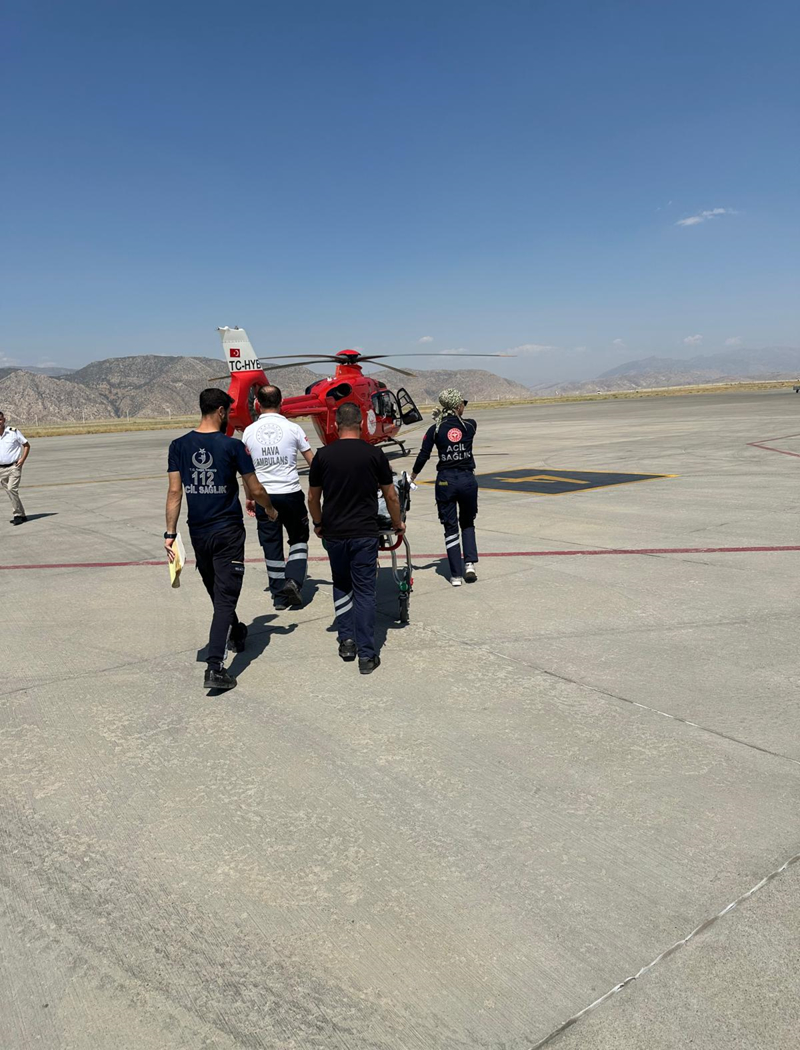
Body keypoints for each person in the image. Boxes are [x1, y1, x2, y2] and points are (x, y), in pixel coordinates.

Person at [165, 388, 278, 692]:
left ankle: (236, 630)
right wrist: (270, 509)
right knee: (225, 595)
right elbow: (255, 488)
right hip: (227, 531)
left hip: (197, 531)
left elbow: (175, 492)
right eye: (227, 411)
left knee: (218, 591)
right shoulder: (233, 446)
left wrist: (170, 533)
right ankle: (215, 667)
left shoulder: (178, 446)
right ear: (220, 411)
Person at [307, 402, 404, 674]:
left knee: (341, 584)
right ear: (361, 424)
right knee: (364, 591)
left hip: (335, 533)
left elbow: (312, 497)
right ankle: (367, 655)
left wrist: (318, 523)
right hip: (364, 533)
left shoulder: (323, 456)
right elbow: (391, 495)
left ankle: (347, 641)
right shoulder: (374, 454)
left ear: (335, 425)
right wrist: (397, 523)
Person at [241, 384, 314, 609]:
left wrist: (250, 496)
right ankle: (293, 581)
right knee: (299, 538)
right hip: (290, 493)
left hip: (264, 496)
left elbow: (246, 471)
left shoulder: (249, 432)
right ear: (281, 402)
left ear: (257, 404)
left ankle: (279, 598)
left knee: (271, 545)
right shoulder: (293, 429)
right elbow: (312, 461)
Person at [410, 388, 478, 586]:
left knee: (450, 526)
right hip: (467, 480)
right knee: (467, 522)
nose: (464, 406)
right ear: (458, 405)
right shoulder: (470, 426)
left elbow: (423, 455)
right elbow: (462, 426)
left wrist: (413, 476)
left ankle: (455, 575)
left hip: (445, 481)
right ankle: (469, 565)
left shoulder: (435, 430)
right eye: (462, 403)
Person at [0, 410, 30, 526]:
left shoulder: (13, 432)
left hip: (14, 467)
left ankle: (17, 515)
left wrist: (22, 459)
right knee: (10, 492)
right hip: (1, 469)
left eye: (0, 419)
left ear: (4, 420)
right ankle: (22, 515)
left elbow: (26, 445)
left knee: (12, 489)